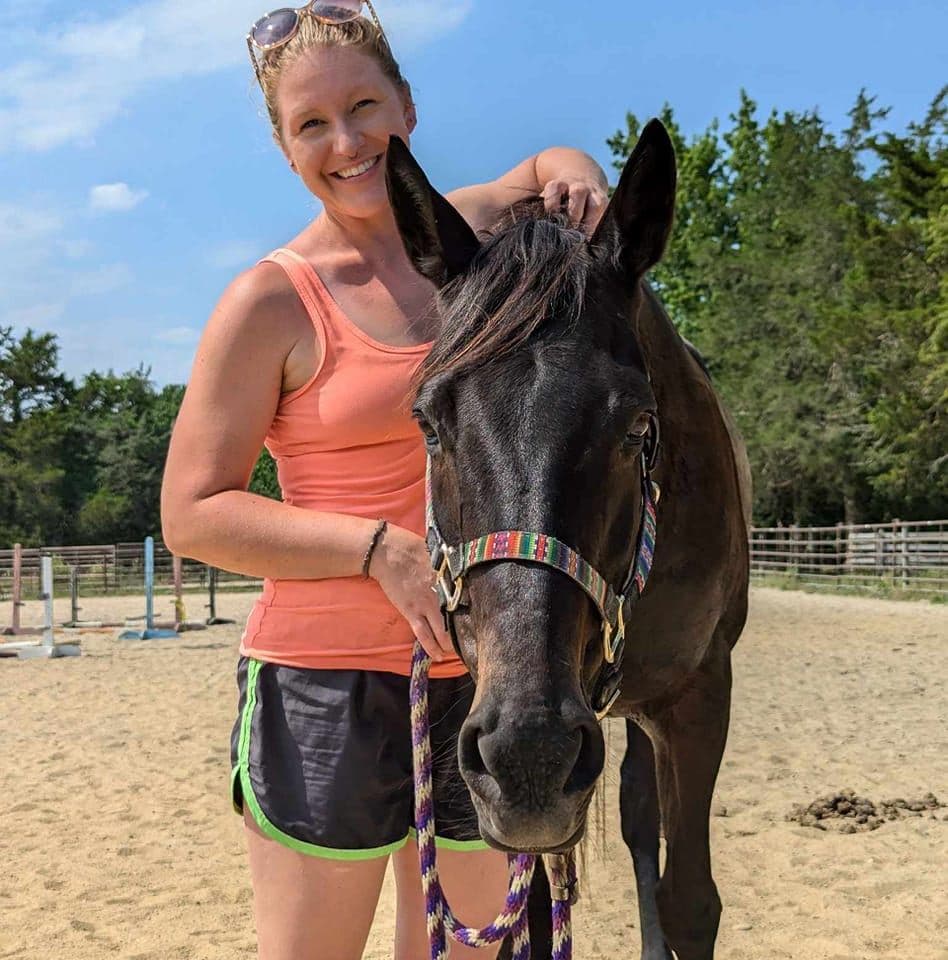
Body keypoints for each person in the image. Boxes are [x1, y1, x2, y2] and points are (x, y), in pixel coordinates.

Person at [160, 2, 608, 958]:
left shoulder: (479, 231)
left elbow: (546, 165)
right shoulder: (270, 300)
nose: (346, 142)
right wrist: (377, 551)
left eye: (364, 106)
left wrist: (578, 170)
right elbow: (192, 513)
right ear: (285, 148)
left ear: (407, 104)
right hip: (324, 685)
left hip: (487, 677)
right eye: (311, 124)